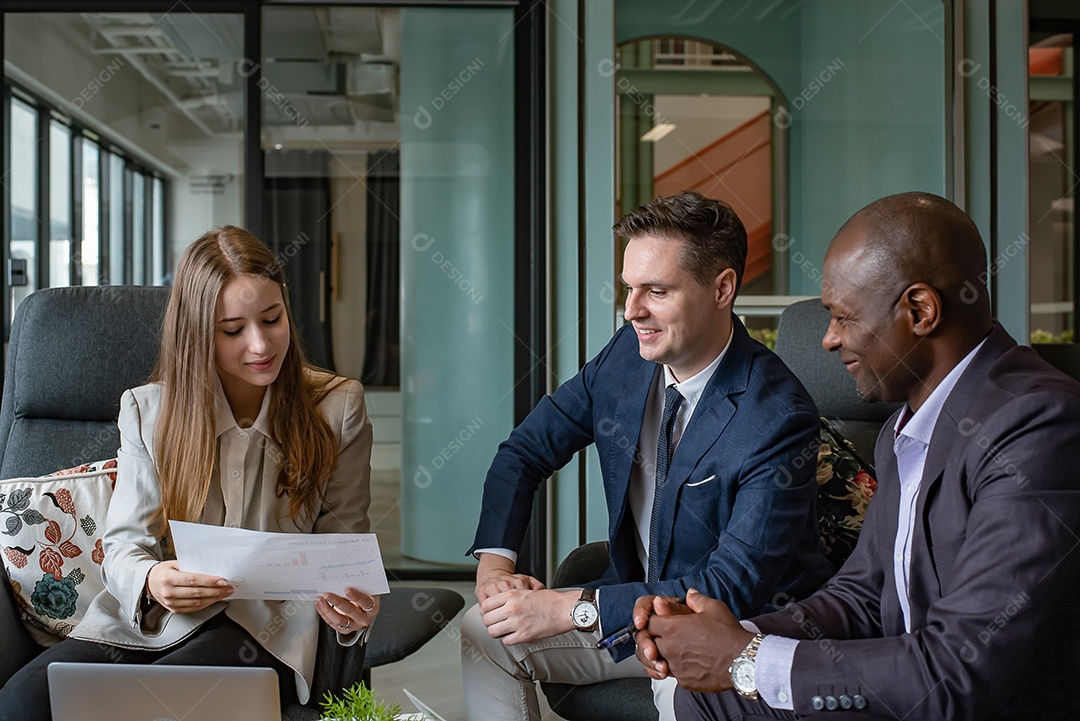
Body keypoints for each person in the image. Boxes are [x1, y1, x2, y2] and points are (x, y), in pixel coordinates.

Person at [633, 192, 1080, 721]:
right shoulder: (902, 431)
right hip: (908, 692)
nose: (828, 339)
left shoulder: (1039, 424)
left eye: (843, 317)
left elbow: (964, 670)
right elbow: (862, 597)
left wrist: (743, 659)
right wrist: (725, 635)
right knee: (704, 699)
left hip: (968, 701)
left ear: (920, 311)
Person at [461, 191, 833, 721]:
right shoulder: (625, 359)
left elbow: (732, 586)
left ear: (722, 288)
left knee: (679, 691)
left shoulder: (774, 415)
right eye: (630, 288)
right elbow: (523, 452)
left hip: (729, 626)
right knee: (484, 630)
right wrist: (494, 570)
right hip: (634, 610)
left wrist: (571, 606)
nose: (633, 310)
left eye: (655, 291)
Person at [0, 226, 376, 718]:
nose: (261, 345)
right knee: (22, 701)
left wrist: (350, 604)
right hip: (154, 620)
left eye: (272, 318)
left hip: (269, 630)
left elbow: (342, 548)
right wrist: (152, 578)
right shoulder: (147, 411)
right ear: (197, 331)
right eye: (233, 330)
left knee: (174, 692)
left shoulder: (337, 407)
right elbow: (123, 545)